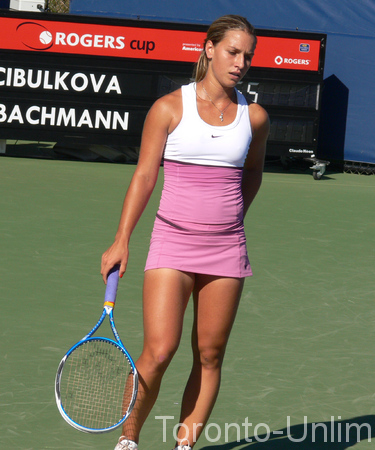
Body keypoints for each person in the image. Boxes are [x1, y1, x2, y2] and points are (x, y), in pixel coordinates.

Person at [101, 15, 269, 450]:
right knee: (158, 352)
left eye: (247, 56)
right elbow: (143, 176)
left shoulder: (254, 117)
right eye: (233, 52)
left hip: (226, 250)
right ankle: (129, 440)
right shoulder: (169, 108)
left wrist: (231, 219)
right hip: (171, 243)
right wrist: (122, 239)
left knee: (210, 356)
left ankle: (183, 446)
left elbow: (253, 174)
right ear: (209, 48)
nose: (240, 63)